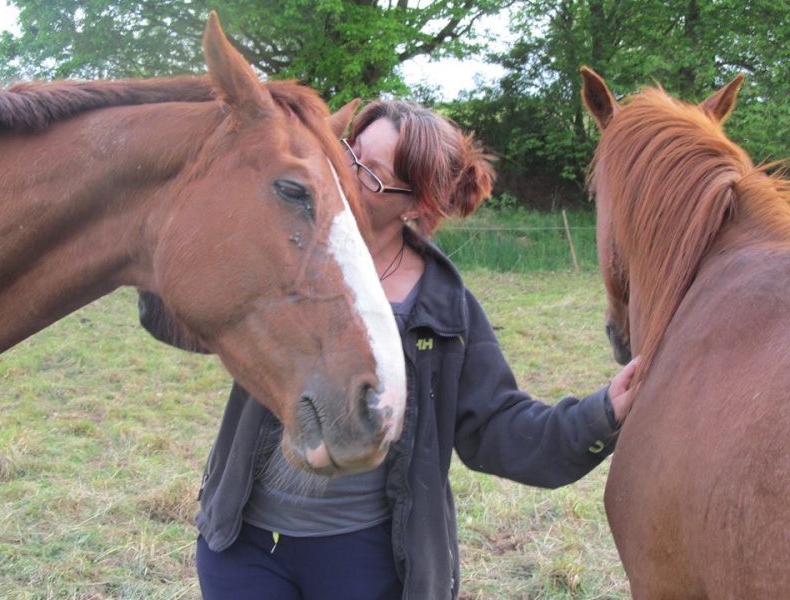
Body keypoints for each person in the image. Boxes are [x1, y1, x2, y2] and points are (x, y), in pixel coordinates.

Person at [138, 99, 639, 600]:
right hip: (243, 549)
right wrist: (168, 243)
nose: (344, 170)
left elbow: (498, 431)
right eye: (348, 151)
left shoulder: (444, 310)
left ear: (418, 206)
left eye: (369, 172)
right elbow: (179, 321)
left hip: (365, 561)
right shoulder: (285, 253)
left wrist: (600, 415)